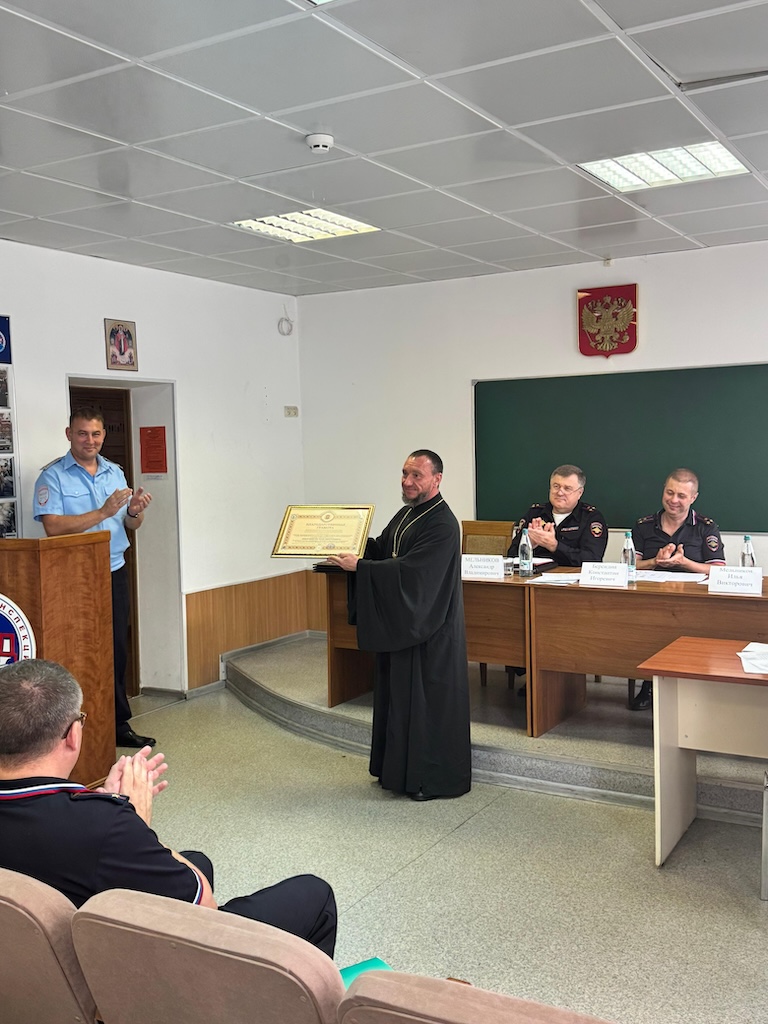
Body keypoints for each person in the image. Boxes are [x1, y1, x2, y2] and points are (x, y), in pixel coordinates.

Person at [0, 659, 337, 957]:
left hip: (36, 960)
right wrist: (130, 818)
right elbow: (204, 903)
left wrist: (104, 808)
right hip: (119, 974)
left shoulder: (91, 819)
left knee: (197, 860)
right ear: (73, 735)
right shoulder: (105, 825)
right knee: (314, 894)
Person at [328, 450, 471, 802]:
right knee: (397, 702)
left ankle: (428, 780)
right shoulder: (407, 513)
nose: (407, 482)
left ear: (437, 479)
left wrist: (362, 567)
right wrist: (351, 544)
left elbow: (415, 572)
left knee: (425, 706)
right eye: (405, 473)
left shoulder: (442, 523)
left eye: (416, 475)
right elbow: (384, 548)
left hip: (430, 632)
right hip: (404, 627)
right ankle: (396, 773)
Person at [33, 407, 154, 748]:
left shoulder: (115, 472)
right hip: (72, 577)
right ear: (69, 434)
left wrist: (134, 512)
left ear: (103, 436)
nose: (90, 440)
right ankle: (70, 727)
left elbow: (130, 524)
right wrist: (102, 512)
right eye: (83, 433)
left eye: (96, 434)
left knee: (115, 649)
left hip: (113, 571)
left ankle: (117, 724)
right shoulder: (53, 477)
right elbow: (53, 527)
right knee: (77, 649)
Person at [629, 468, 726, 710]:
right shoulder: (643, 526)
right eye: (670, 493)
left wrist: (685, 563)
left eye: (681, 496)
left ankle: (689, 685)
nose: (674, 500)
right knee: (643, 628)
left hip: (693, 604)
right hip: (649, 601)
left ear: (693, 497)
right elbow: (629, 566)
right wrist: (654, 561)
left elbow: (718, 569)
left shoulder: (706, 527)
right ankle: (648, 685)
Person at [507, 464, 608, 566]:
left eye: (567, 488)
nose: (560, 493)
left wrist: (554, 546)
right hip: (535, 574)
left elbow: (593, 559)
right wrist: (529, 545)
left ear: (580, 493)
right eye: (556, 486)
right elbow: (511, 555)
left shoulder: (591, 518)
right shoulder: (535, 514)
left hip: (572, 575)